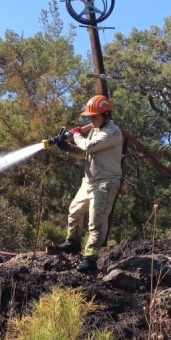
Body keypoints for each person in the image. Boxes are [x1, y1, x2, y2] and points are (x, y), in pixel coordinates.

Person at [54, 95, 124, 272]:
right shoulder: (95, 130)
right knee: (74, 211)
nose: (91, 120)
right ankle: (72, 242)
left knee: (96, 222)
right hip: (90, 181)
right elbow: (86, 154)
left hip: (105, 183)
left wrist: (76, 134)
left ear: (105, 115)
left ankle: (90, 259)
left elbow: (88, 147)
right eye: (89, 117)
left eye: (94, 116)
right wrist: (67, 147)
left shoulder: (112, 133)